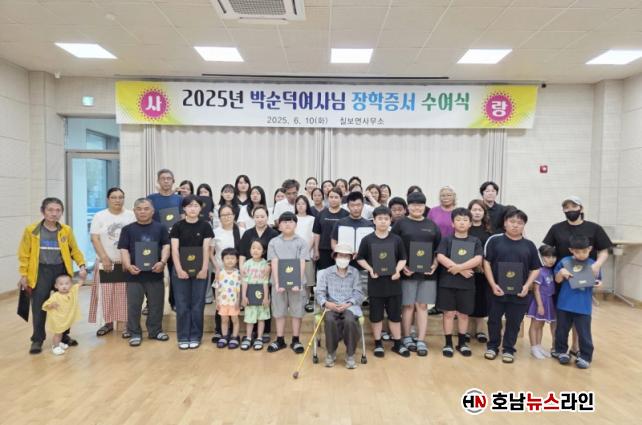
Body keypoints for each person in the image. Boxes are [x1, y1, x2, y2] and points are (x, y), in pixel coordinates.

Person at [542, 195, 612, 357]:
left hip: (584, 277)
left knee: (579, 314)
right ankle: (558, 347)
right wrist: (554, 271)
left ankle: (576, 346)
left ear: (581, 208)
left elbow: (604, 250)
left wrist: (596, 265)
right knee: (561, 314)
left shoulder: (594, 228)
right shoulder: (556, 228)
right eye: (566, 207)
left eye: (573, 206)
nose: (570, 210)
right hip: (562, 276)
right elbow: (547, 250)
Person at [18, 197, 87, 355]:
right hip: (40, 271)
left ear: (61, 212)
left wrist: (82, 265)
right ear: (43, 211)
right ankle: (37, 339)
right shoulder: (32, 230)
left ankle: (64, 336)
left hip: (61, 271)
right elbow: (24, 254)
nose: (54, 213)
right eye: (50, 210)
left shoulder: (66, 230)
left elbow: (74, 250)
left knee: (65, 304)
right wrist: (24, 274)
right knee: (39, 306)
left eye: (58, 210)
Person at [483, 209, 540, 364]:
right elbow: (486, 263)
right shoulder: (494, 240)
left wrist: (527, 286)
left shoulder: (529, 245)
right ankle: (492, 346)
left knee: (514, 322)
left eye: (520, 223)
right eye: (512, 222)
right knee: (494, 320)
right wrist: (493, 284)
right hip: (496, 291)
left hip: (520, 293)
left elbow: (536, 268)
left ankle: (509, 349)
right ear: (505, 223)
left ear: (524, 225)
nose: (515, 225)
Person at [392, 191, 440, 356]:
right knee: (408, 305)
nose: (417, 208)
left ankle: (420, 339)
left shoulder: (432, 225)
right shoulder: (400, 224)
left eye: (420, 205)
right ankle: (406, 337)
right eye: (413, 205)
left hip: (427, 273)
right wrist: (401, 267)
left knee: (422, 306)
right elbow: (393, 247)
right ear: (408, 207)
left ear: (424, 206)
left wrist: (435, 264)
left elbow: (438, 249)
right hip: (407, 272)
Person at [357, 206, 409, 358]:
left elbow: (403, 258)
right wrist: (370, 269)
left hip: (394, 284)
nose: (383, 221)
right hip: (376, 284)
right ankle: (378, 343)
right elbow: (360, 258)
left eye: (386, 219)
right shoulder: (367, 239)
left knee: (395, 315)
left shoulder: (396, 239)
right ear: (374, 220)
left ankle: (397, 344)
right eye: (379, 218)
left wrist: (397, 271)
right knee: (376, 315)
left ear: (390, 220)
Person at [118, 198, 171, 347]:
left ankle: (155, 331)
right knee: (134, 306)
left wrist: (162, 262)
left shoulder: (161, 228)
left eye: (146, 208)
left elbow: (166, 246)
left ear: (152, 211)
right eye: (139, 209)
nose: (143, 211)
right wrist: (128, 266)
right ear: (134, 211)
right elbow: (124, 250)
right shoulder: (127, 229)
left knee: (156, 305)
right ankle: (135, 333)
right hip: (133, 275)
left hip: (155, 273)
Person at [436, 208, 483, 358]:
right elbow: (440, 257)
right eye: (458, 220)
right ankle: (448, 343)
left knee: (463, 314)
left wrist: (459, 268)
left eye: (465, 220)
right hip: (447, 282)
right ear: (452, 223)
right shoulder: (446, 240)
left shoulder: (475, 241)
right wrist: (459, 269)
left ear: (470, 223)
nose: (462, 223)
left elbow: (478, 259)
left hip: (467, 284)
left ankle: (462, 343)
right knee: (448, 314)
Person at [89, 187, 136, 338]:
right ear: (108, 199)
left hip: (125, 262)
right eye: (114, 197)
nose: (117, 200)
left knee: (125, 296)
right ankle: (108, 323)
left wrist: (129, 260)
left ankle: (126, 325)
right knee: (106, 295)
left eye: (120, 197)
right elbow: (95, 238)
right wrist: (104, 258)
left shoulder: (131, 215)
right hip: (106, 262)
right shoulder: (100, 216)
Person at [170, 195, 214, 350]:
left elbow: (206, 249)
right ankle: (183, 336)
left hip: (200, 270)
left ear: (200, 208)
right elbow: (174, 250)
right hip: (180, 271)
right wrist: (179, 269)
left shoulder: (206, 226)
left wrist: (204, 268)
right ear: (184, 208)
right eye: (189, 206)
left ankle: (195, 336)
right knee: (182, 304)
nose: (193, 208)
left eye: (196, 205)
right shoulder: (177, 226)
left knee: (197, 304)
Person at [554, 235, 602, 369]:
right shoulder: (564, 262)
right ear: (571, 250)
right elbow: (557, 280)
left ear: (590, 249)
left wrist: (598, 284)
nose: (581, 254)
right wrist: (561, 272)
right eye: (577, 252)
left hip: (583, 306)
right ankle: (561, 352)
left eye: (584, 251)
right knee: (561, 330)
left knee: (584, 333)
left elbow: (599, 283)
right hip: (564, 304)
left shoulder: (593, 264)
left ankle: (585, 357)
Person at [316, 244, 365, 369]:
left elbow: (359, 293)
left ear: (350, 258)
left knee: (350, 320)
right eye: (340, 255)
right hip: (331, 305)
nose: (343, 258)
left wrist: (348, 304)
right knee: (329, 320)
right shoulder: (327, 272)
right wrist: (327, 303)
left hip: (349, 306)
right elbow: (320, 292)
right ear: (335, 256)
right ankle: (331, 352)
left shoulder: (355, 273)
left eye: (346, 256)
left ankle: (350, 355)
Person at [267, 212, 310, 354]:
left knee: (297, 311)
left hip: (297, 283)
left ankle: (296, 340)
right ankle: (280, 339)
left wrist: (297, 281)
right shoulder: (273, 242)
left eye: (291, 221)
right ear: (279, 225)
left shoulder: (301, 242)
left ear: (296, 225)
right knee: (279, 310)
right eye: (284, 222)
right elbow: (274, 262)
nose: (287, 224)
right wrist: (278, 283)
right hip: (278, 283)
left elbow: (302, 262)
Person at [238, 205, 278, 341]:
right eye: (257, 217)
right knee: (251, 301)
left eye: (262, 216)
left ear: (267, 217)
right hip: (250, 271)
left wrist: (269, 266)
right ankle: (251, 332)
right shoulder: (247, 233)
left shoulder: (273, 234)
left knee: (264, 300)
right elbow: (242, 253)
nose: (260, 219)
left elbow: (275, 254)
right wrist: (242, 268)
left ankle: (264, 332)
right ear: (253, 218)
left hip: (266, 271)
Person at [147, 169, 182, 311]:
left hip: (175, 242)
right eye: (163, 178)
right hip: (155, 241)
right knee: (153, 273)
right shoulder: (151, 198)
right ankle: (150, 303)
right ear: (158, 181)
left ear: (173, 181)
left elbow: (183, 219)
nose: (166, 181)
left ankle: (174, 302)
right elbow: (146, 217)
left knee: (175, 272)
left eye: (169, 178)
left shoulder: (179, 199)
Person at [210, 204, 244, 342]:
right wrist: (217, 267)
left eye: (229, 214)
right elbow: (210, 253)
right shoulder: (215, 232)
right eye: (223, 215)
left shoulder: (241, 231)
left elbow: (243, 253)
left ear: (234, 215)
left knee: (235, 303)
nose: (226, 217)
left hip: (236, 274)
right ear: (219, 217)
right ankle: (221, 332)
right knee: (221, 303)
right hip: (219, 273)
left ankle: (234, 335)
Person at [467, 199, 492, 343]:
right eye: (474, 210)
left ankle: (480, 330)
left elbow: (489, 252)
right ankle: (466, 331)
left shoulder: (488, 231)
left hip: (483, 271)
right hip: (466, 270)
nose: (476, 213)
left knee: (481, 299)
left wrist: (482, 265)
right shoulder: (465, 228)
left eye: (480, 210)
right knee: (467, 299)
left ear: (484, 213)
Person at [527, 245, 557, 359]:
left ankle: (539, 346)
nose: (551, 260)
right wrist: (540, 305)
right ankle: (533, 347)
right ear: (540, 257)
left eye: (553, 257)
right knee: (535, 324)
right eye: (548, 257)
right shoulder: (539, 271)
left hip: (548, 301)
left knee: (541, 324)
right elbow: (536, 289)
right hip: (540, 301)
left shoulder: (550, 270)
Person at [41, 274, 83, 355]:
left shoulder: (72, 291)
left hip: (64, 318)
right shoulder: (55, 296)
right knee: (58, 334)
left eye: (67, 284)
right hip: (57, 319)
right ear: (56, 286)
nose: (64, 286)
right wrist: (52, 305)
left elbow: (80, 283)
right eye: (61, 284)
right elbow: (45, 305)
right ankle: (55, 346)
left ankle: (59, 343)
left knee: (61, 332)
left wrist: (82, 276)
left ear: (71, 284)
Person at [241, 239, 271, 351]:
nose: (255, 250)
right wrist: (244, 296)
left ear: (263, 251)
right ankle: (248, 337)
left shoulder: (265, 264)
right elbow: (244, 281)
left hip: (262, 295)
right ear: (250, 250)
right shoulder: (247, 264)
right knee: (249, 318)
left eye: (259, 248)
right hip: (250, 294)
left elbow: (265, 282)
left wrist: (266, 297)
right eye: (253, 248)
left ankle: (259, 338)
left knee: (261, 318)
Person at [313, 188, 349, 271]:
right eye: (331, 197)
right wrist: (316, 250)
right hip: (323, 250)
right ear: (328, 198)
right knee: (324, 273)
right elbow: (317, 233)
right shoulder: (321, 214)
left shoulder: (346, 214)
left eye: (336, 197)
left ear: (341, 198)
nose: (333, 199)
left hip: (341, 251)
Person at [214, 248, 242, 349]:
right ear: (222, 260)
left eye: (232, 258)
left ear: (237, 260)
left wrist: (238, 301)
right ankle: (225, 336)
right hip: (223, 302)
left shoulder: (238, 273)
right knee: (224, 319)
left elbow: (239, 289)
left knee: (235, 319)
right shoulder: (219, 273)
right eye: (227, 258)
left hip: (234, 302)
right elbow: (216, 288)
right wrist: (217, 300)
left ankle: (235, 336)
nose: (230, 260)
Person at [294, 195, 316, 312]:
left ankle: (307, 300)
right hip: (294, 252)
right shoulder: (293, 218)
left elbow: (313, 236)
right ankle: (296, 300)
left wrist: (305, 249)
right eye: (298, 204)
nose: (301, 206)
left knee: (308, 278)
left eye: (303, 203)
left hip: (308, 252)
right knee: (295, 277)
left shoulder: (312, 219)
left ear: (307, 205)